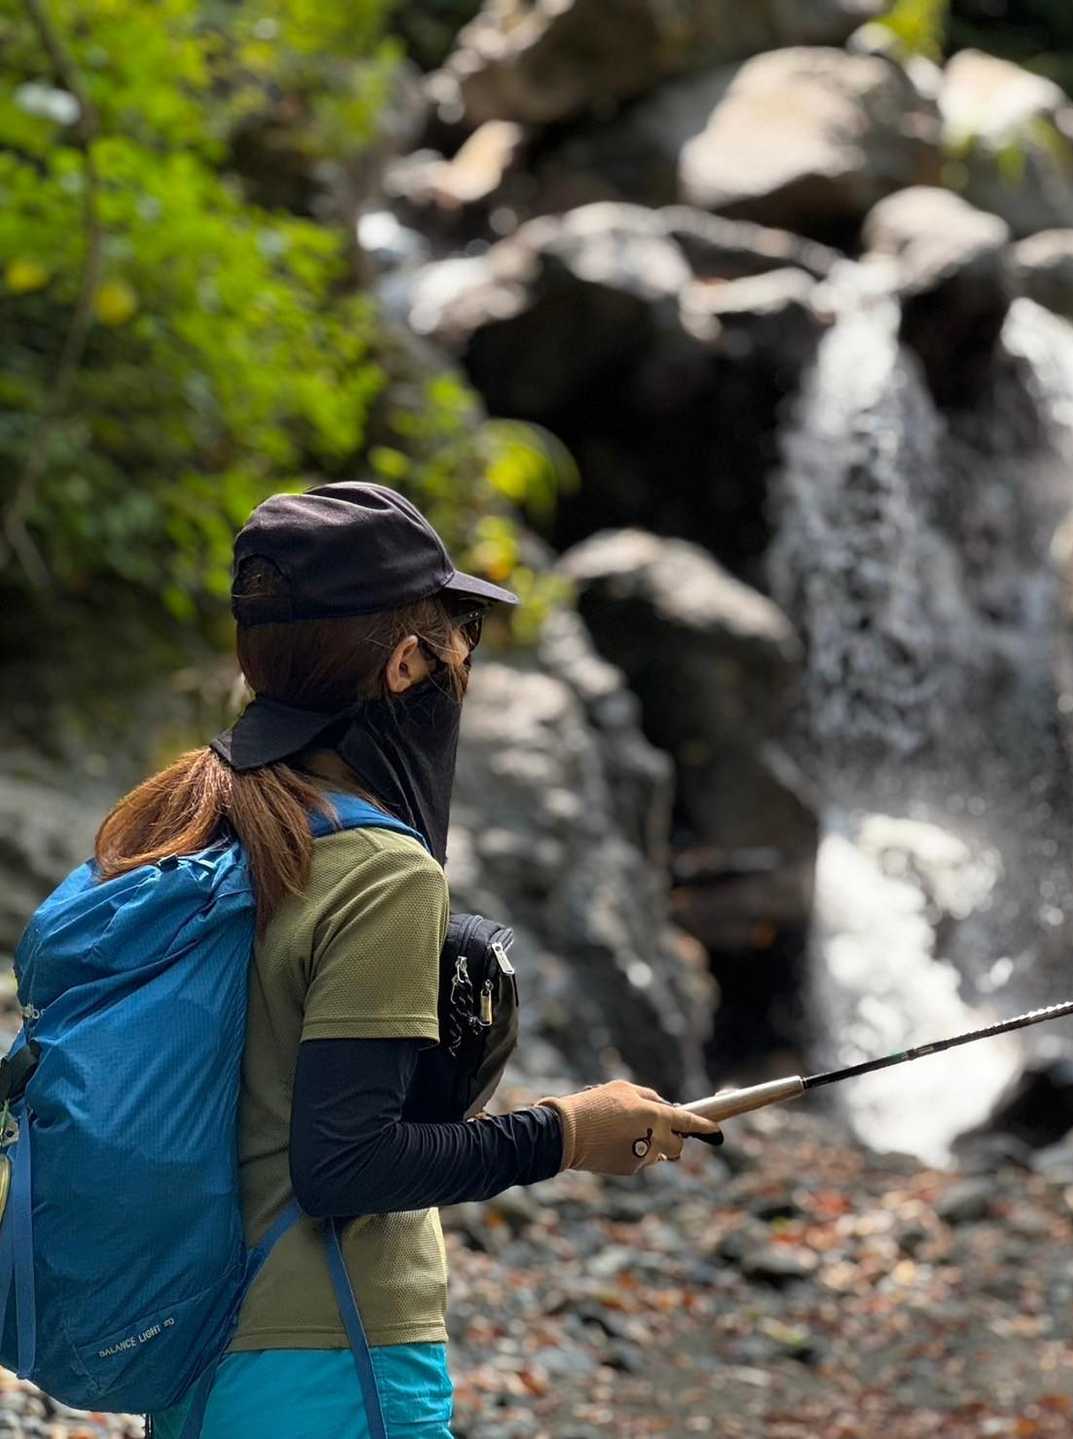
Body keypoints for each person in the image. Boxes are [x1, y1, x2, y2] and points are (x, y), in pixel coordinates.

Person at [93, 483, 720, 1438]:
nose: (463, 662)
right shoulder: (379, 871)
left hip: (195, 1358)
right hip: (332, 1364)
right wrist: (567, 1132)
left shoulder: (186, 825)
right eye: (457, 636)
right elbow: (345, 1163)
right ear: (403, 664)